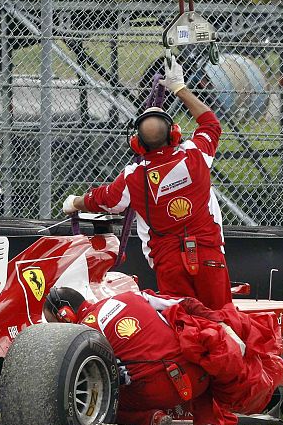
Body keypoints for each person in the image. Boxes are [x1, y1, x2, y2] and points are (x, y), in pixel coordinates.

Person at [62, 57, 231, 310]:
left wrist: (75, 202)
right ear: (174, 134)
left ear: (137, 144)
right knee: (223, 318)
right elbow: (210, 123)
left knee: (183, 321)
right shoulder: (196, 155)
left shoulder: (134, 177)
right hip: (209, 255)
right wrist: (180, 89)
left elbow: (105, 199)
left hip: (169, 262)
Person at [43, 286, 283, 425]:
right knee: (205, 354)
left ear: (65, 314)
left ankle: (150, 422)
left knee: (104, 398)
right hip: (195, 378)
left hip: (154, 390)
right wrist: (223, 325)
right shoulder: (131, 296)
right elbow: (185, 302)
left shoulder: (85, 330)